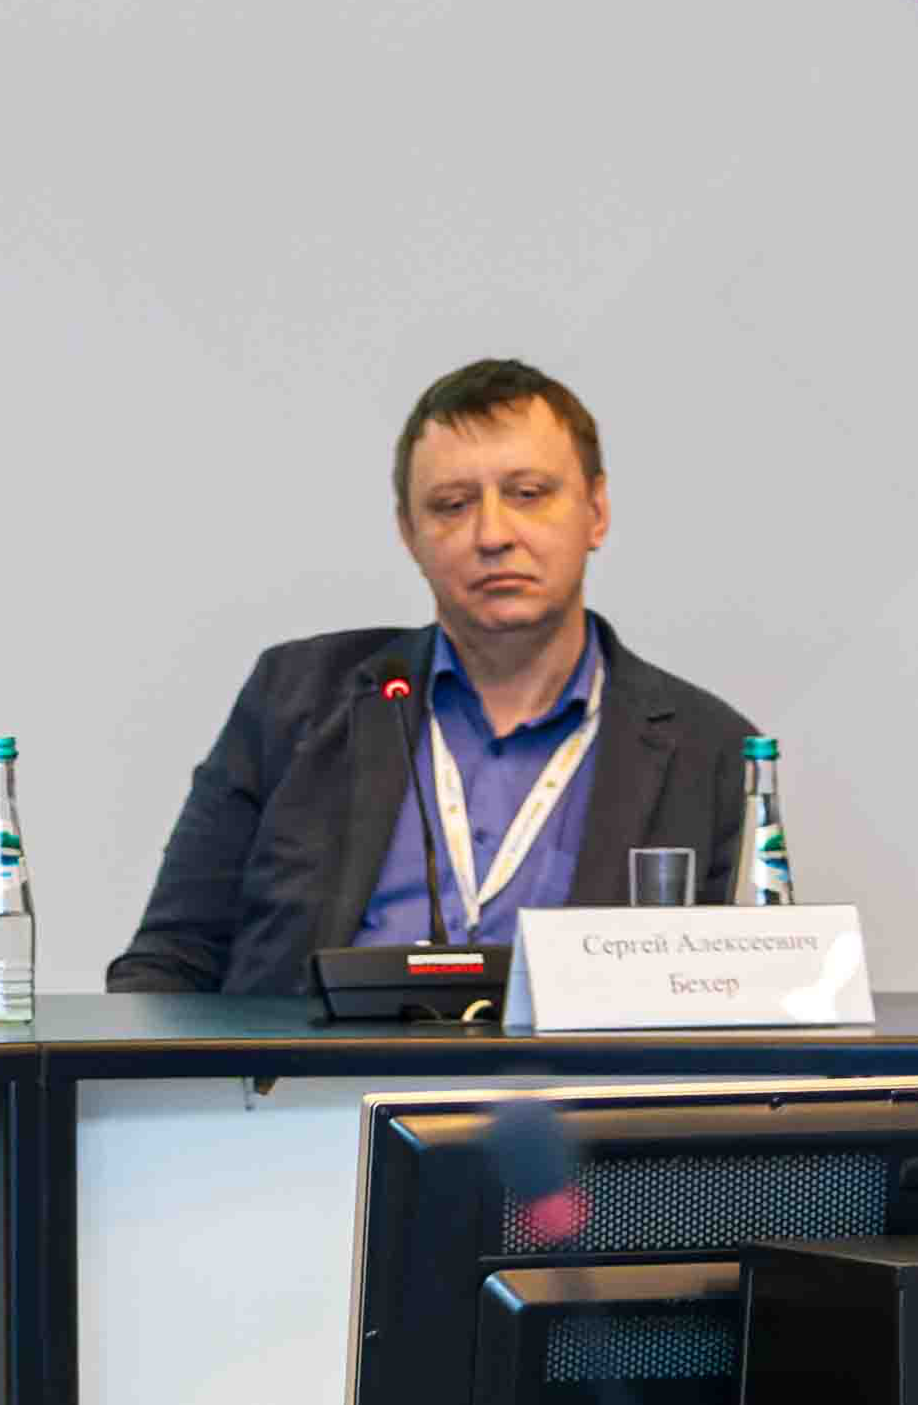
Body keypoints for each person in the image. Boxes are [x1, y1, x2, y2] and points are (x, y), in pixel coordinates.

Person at [109, 359, 769, 994]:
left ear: (596, 511)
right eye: (452, 505)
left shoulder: (708, 751)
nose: (492, 534)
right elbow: (171, 962)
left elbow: (731, 1001)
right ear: (409, 533)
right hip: (310, 1073)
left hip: (567, 1077)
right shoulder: (295, 698)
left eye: (528, 495)